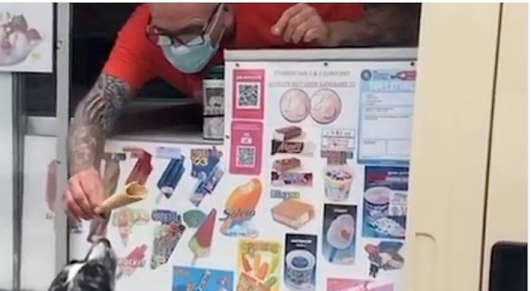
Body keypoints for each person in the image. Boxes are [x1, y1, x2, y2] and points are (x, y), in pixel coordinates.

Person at [64, 3, 421, 220]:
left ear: (226, 11)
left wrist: (332, 32)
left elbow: (413, 23)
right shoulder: (145, 29)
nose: (175, 46)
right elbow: (96, 108)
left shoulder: (278, 9)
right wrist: (83, 171)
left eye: (189, 33)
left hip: (310, 167)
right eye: (164, 35)